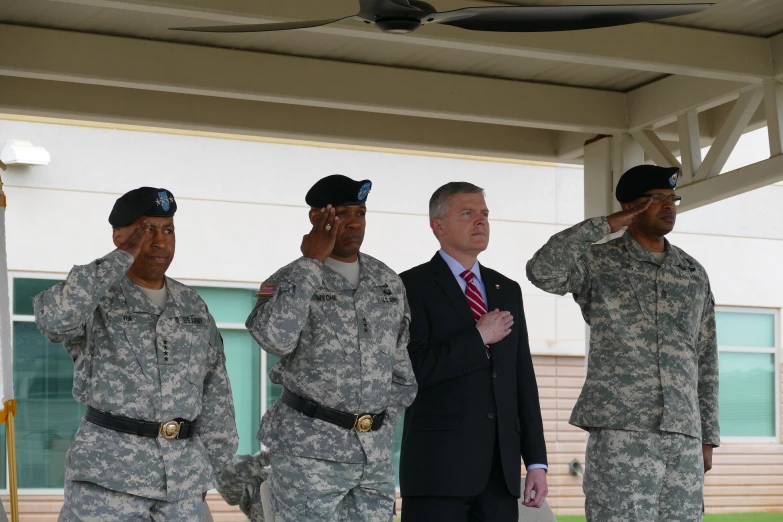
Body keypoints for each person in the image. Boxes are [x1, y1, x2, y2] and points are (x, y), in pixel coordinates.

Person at [526, 165, 719, 522]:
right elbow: (543, 271)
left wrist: (707, 434)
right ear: (632, 206)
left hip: (683, 434)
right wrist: (604, 226)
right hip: (622, 429)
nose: (669, 206)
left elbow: (706, 356)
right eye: (657, 199)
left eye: (671, 199)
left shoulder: (692, 272)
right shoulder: (599, 261)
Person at [33, 187, 238, 521]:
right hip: (108, 484)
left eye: (167, 230)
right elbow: (55, 320)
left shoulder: (191, 304)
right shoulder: (94, 296)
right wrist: (120, 258)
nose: (159, 241)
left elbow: (215, 391)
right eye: (146, 230)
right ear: (118, 235)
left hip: (181, 488)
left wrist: (210, 467)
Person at [246, 174, 417, 522]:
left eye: (361, 213)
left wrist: (383, 428)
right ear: (316, 218)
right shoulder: (287, 279)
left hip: (373, 458)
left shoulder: (387, 282)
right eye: (342, 214)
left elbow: (401, 372)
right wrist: (310, 264)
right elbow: (273, 339)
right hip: (308, 453)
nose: (354, 223)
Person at [398, 181, 548, 522]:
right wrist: (477, 337)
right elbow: (412, 370)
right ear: (437, 225)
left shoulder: (506, 289)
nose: (480, 222)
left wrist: (536, 462)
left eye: (484, 214)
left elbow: (521, 377)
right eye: (467, 213)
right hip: (437, 472)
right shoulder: (408, 286)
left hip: (500, 473)